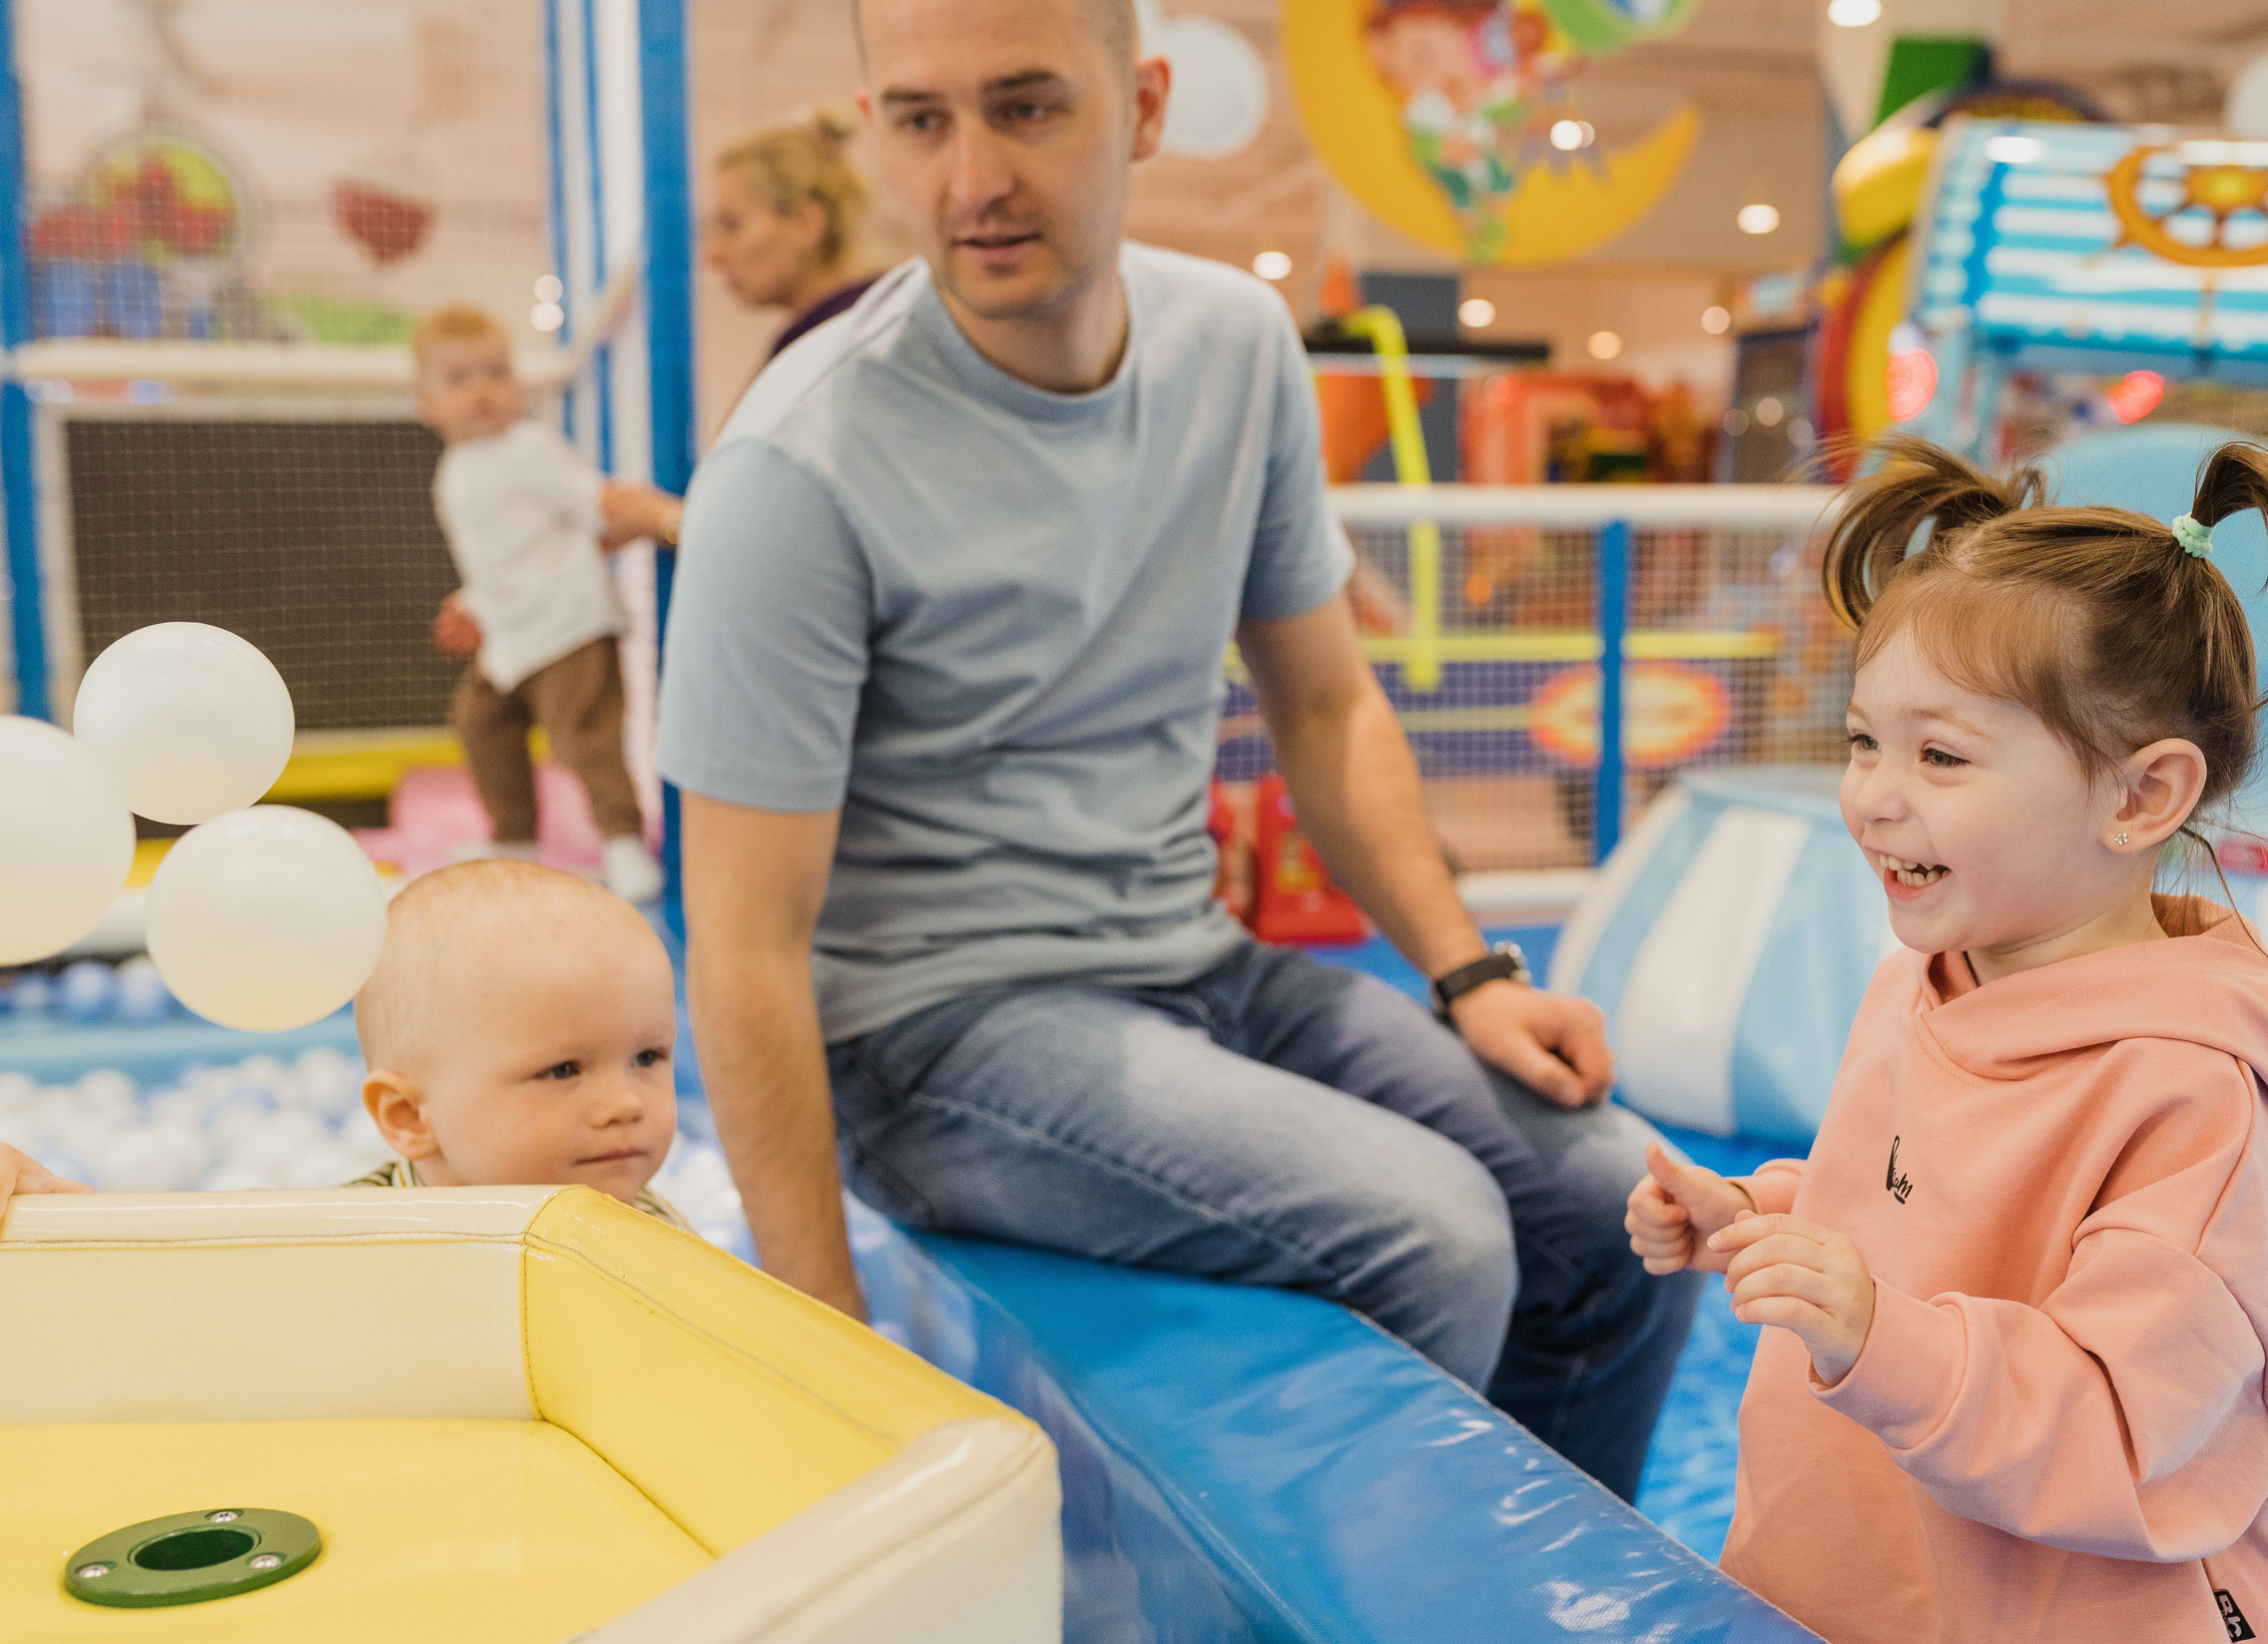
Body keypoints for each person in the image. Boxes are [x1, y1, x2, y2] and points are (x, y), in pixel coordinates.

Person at [656, 0, 1698, 1499]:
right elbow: (744, 940)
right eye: (921, 120)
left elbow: (1328, 705)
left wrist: (1471, 971)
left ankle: (1506, 1629)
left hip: (1194, 963)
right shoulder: (795, 466)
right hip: (939, 1030)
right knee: (1437, 1234)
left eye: (1026, 108)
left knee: (1623, 1208)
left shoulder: (1236, 344)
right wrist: (827, 1327)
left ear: (1142, 107)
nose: (971, 180)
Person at [1626, 436, 2268, 1644]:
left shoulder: (2194, 1102)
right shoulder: (1931, 979)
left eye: (1939, 758)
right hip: (1868, 1614)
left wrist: (1872, 1331)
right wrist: (1771, 1221)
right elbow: (1930, 1215)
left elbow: (2128, 1432)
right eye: (1861, 743)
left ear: (2141, 796)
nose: (1873, 800)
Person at [413, 304, 682, 906]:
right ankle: (514, 839)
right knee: (481, 723)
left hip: (568, 624)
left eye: (496, 373)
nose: (483, 391)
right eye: (459, 380)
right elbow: (499, 551)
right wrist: (471, 601)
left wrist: (660, 518)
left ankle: (623, 843)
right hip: (510, 634)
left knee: (586, 737)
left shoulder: (527, 446)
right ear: (426, 403)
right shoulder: (455, 470)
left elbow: (595, 506)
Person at [347, 859, 690, 1228]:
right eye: (563, 1070)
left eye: (646, 1057)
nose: (626, 1104)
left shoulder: (655, 1238)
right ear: (410, 1115)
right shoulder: (342, 1248)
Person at [704, 111, 880, 362]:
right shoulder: (814, 337)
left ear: (805, 223)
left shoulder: (856, 344)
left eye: (733, 225)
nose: (712, 254)